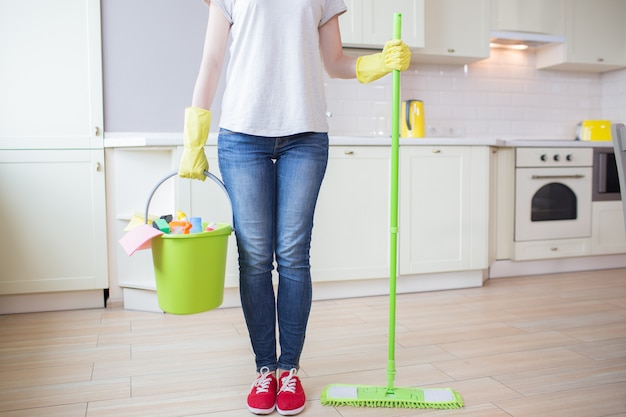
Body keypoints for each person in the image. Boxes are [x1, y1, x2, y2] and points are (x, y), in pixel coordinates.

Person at [178, 0, 411, 415]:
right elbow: (212, 61)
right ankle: (264, 368)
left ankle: (289, 370)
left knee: (292, 255)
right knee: (253, 257)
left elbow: (335, 62)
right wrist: (194, 135)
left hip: (305, 136)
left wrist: (379, 62)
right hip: (242, 135)